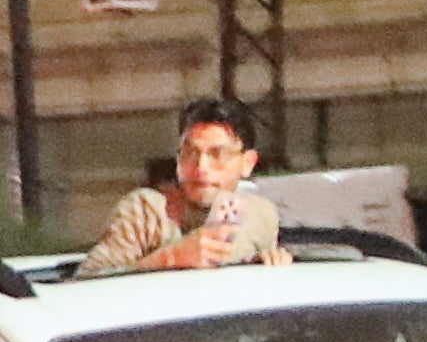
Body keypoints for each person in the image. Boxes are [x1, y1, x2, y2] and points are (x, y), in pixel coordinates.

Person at [77, 100, 286, 276]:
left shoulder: (260, 214)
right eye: (190, 154)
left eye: (217, 155)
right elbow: (87, 280)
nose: (200, 168)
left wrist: (269, 265)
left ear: (247, 163)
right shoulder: (146, 210)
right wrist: (170, 258)